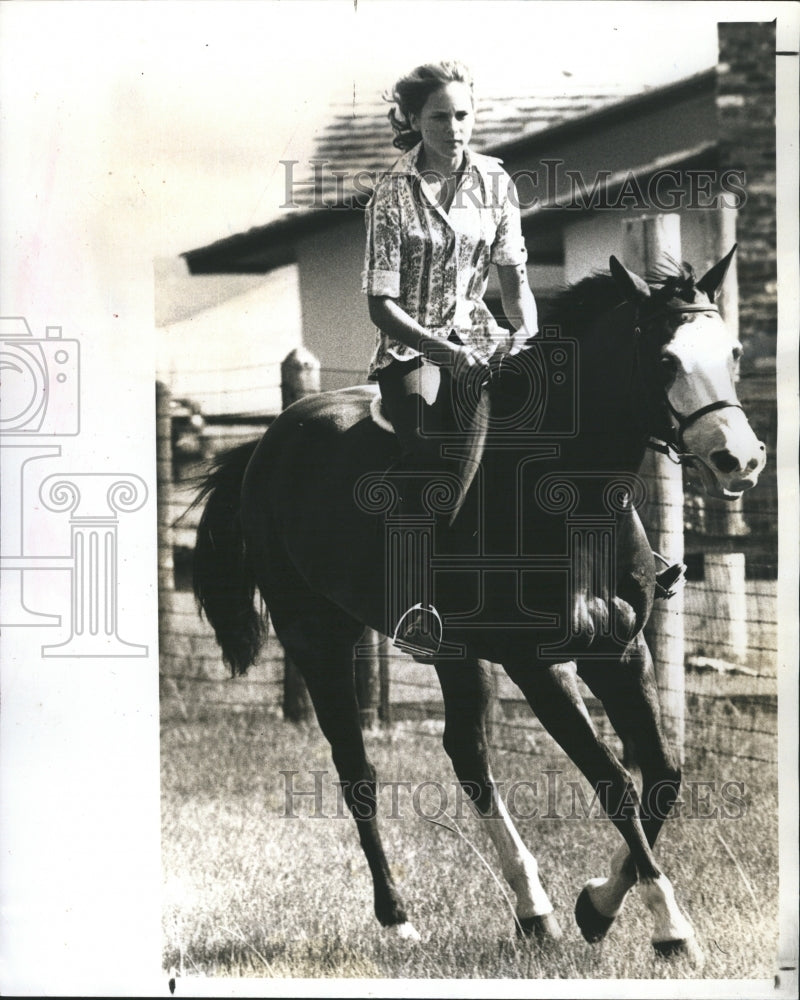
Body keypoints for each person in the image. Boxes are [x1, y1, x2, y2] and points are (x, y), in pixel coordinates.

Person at [362, 60, 538, 660]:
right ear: (412, 120)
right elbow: (381, 306)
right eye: (440, 117)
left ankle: (622, 558)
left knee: (568, 408)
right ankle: (415, 599)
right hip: (413, 350)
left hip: (485, 339)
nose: (455, 127)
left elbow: (515, 283)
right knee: (433, 443)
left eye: (463, 115)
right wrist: (448, 354)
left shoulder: (496, 181)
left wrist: (526, 331)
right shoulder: (390, 194)